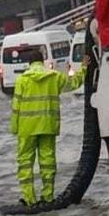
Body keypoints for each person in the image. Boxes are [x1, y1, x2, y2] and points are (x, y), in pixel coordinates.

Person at [10, 47, 86, 205]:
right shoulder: (54, 77)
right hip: (48, 126)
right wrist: (84, 68)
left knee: (25, 163)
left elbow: (16, 107)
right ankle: (48, 196)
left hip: (27, 128)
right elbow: (74, 84)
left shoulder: (22, 80)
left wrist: (14, 128)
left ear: (28, 63)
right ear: (42, 62)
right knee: (48, 161)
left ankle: (29, 199)